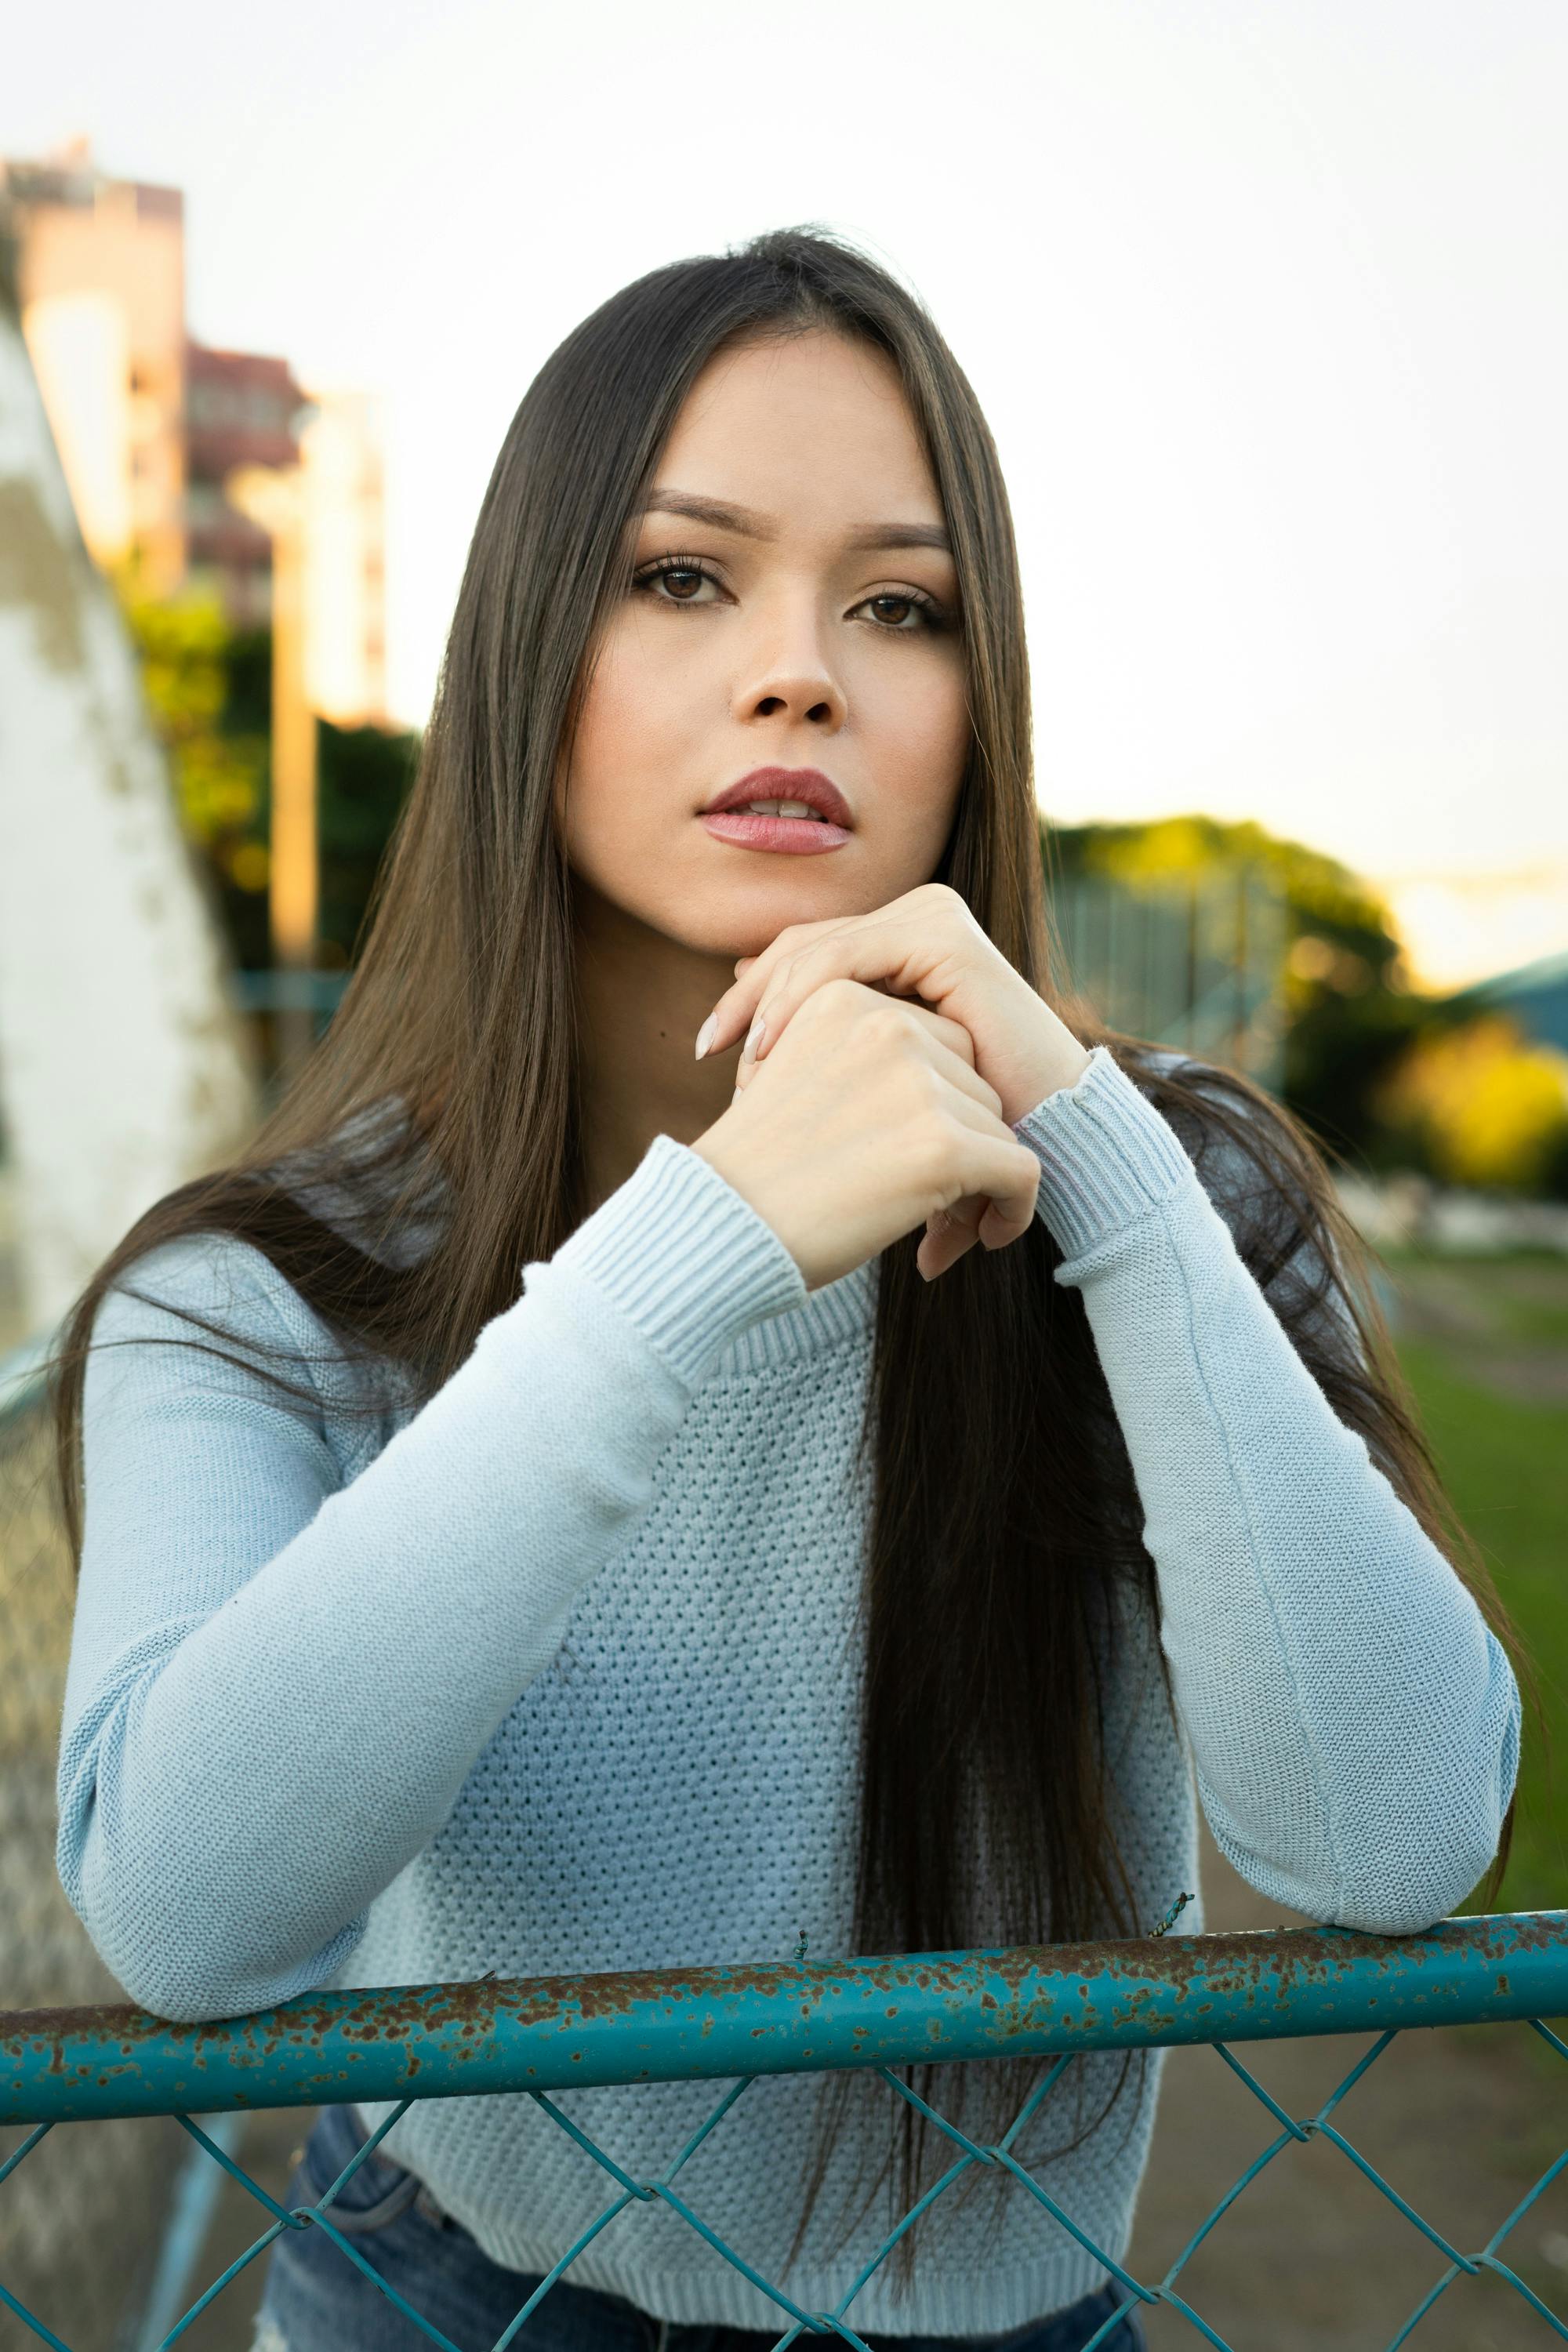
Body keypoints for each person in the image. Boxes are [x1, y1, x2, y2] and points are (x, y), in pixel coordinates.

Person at [49, 228, 1523, 2352]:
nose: (798, 672)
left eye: (901, 606)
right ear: (526, 650)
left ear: (974, 708)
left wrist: (1098, 1159)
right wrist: (699, 1250)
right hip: (445, 2300)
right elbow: (187, 1919)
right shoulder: (272, 1276)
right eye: (681, 576)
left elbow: (1392, 1841)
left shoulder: (1159, 1190)